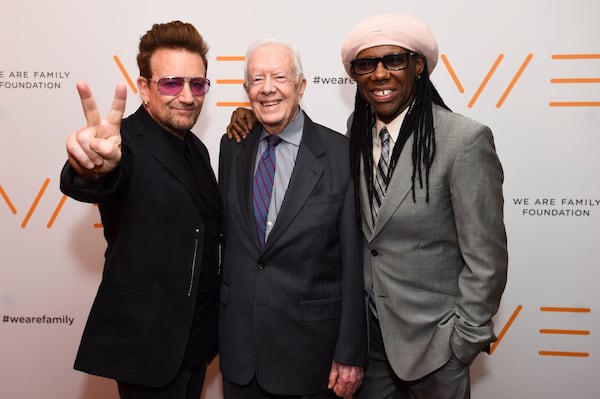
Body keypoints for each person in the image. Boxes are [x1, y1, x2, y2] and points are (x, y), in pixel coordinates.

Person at [226, 14, 508, 399]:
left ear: (418, 66)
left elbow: (486, 260)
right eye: (366, 65)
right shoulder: (355, 136)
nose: (379, 75)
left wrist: (460, 345)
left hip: (434, 349)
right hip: (370, 351)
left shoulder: (464, 140)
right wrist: (250, 120)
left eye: (393, 60)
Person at [60, 21, 221, 399]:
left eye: (197, 84)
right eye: (171, 83)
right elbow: (99, 176)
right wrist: (91, 166)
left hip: (196, 345)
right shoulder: (124, 143)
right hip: (147, 349)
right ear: (144, 89)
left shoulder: (197, 150)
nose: (187, 96)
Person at [218, 39, 367, 399]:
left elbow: (353, 261)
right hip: (240, 358)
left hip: (310, 360)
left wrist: (349, 352)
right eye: (257, 79)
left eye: (279, 77)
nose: (268, 87)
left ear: (301, 86)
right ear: (246, 91)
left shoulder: (340, 154)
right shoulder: (232, 147)